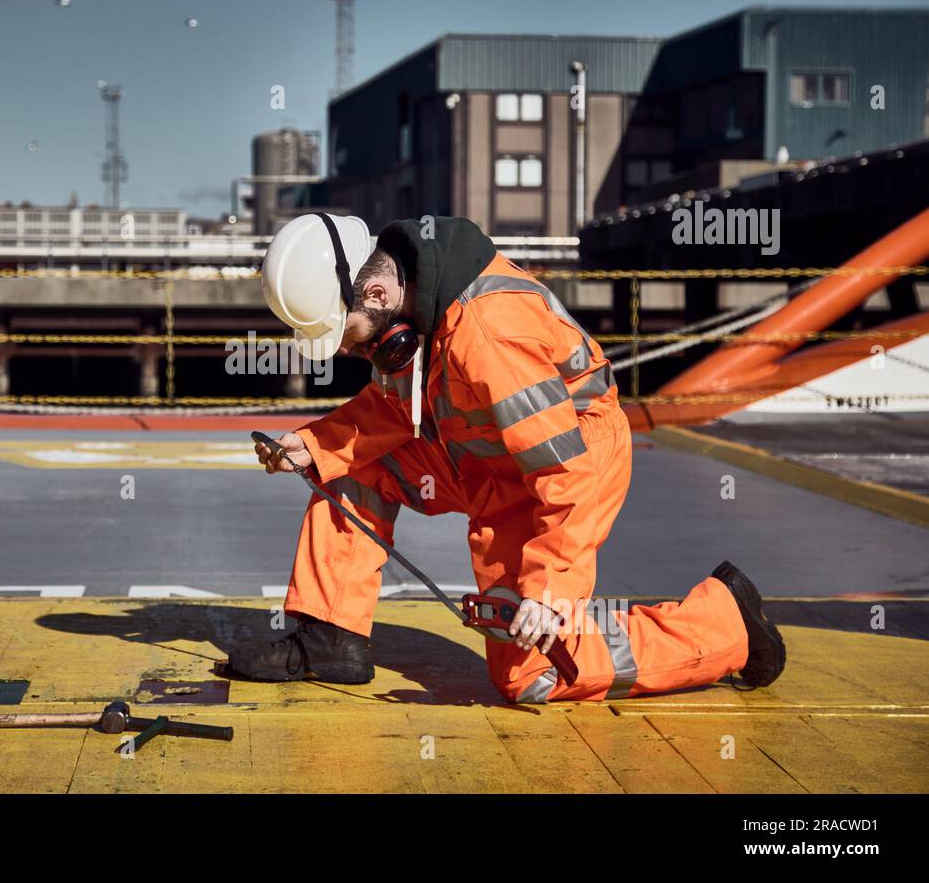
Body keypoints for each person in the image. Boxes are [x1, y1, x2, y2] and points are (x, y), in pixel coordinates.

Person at [226, 213, 786, 703]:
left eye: (346, 337)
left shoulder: (490, 332)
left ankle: (724, 626)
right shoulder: (419, 308)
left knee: (532, 676)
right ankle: (329, 638)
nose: (350, 351)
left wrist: (549, 589)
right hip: (481, 460)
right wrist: (316, 444)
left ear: (374, 295)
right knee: (348, 470)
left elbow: (561, 470)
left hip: (561, 469)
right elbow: (398, 409)